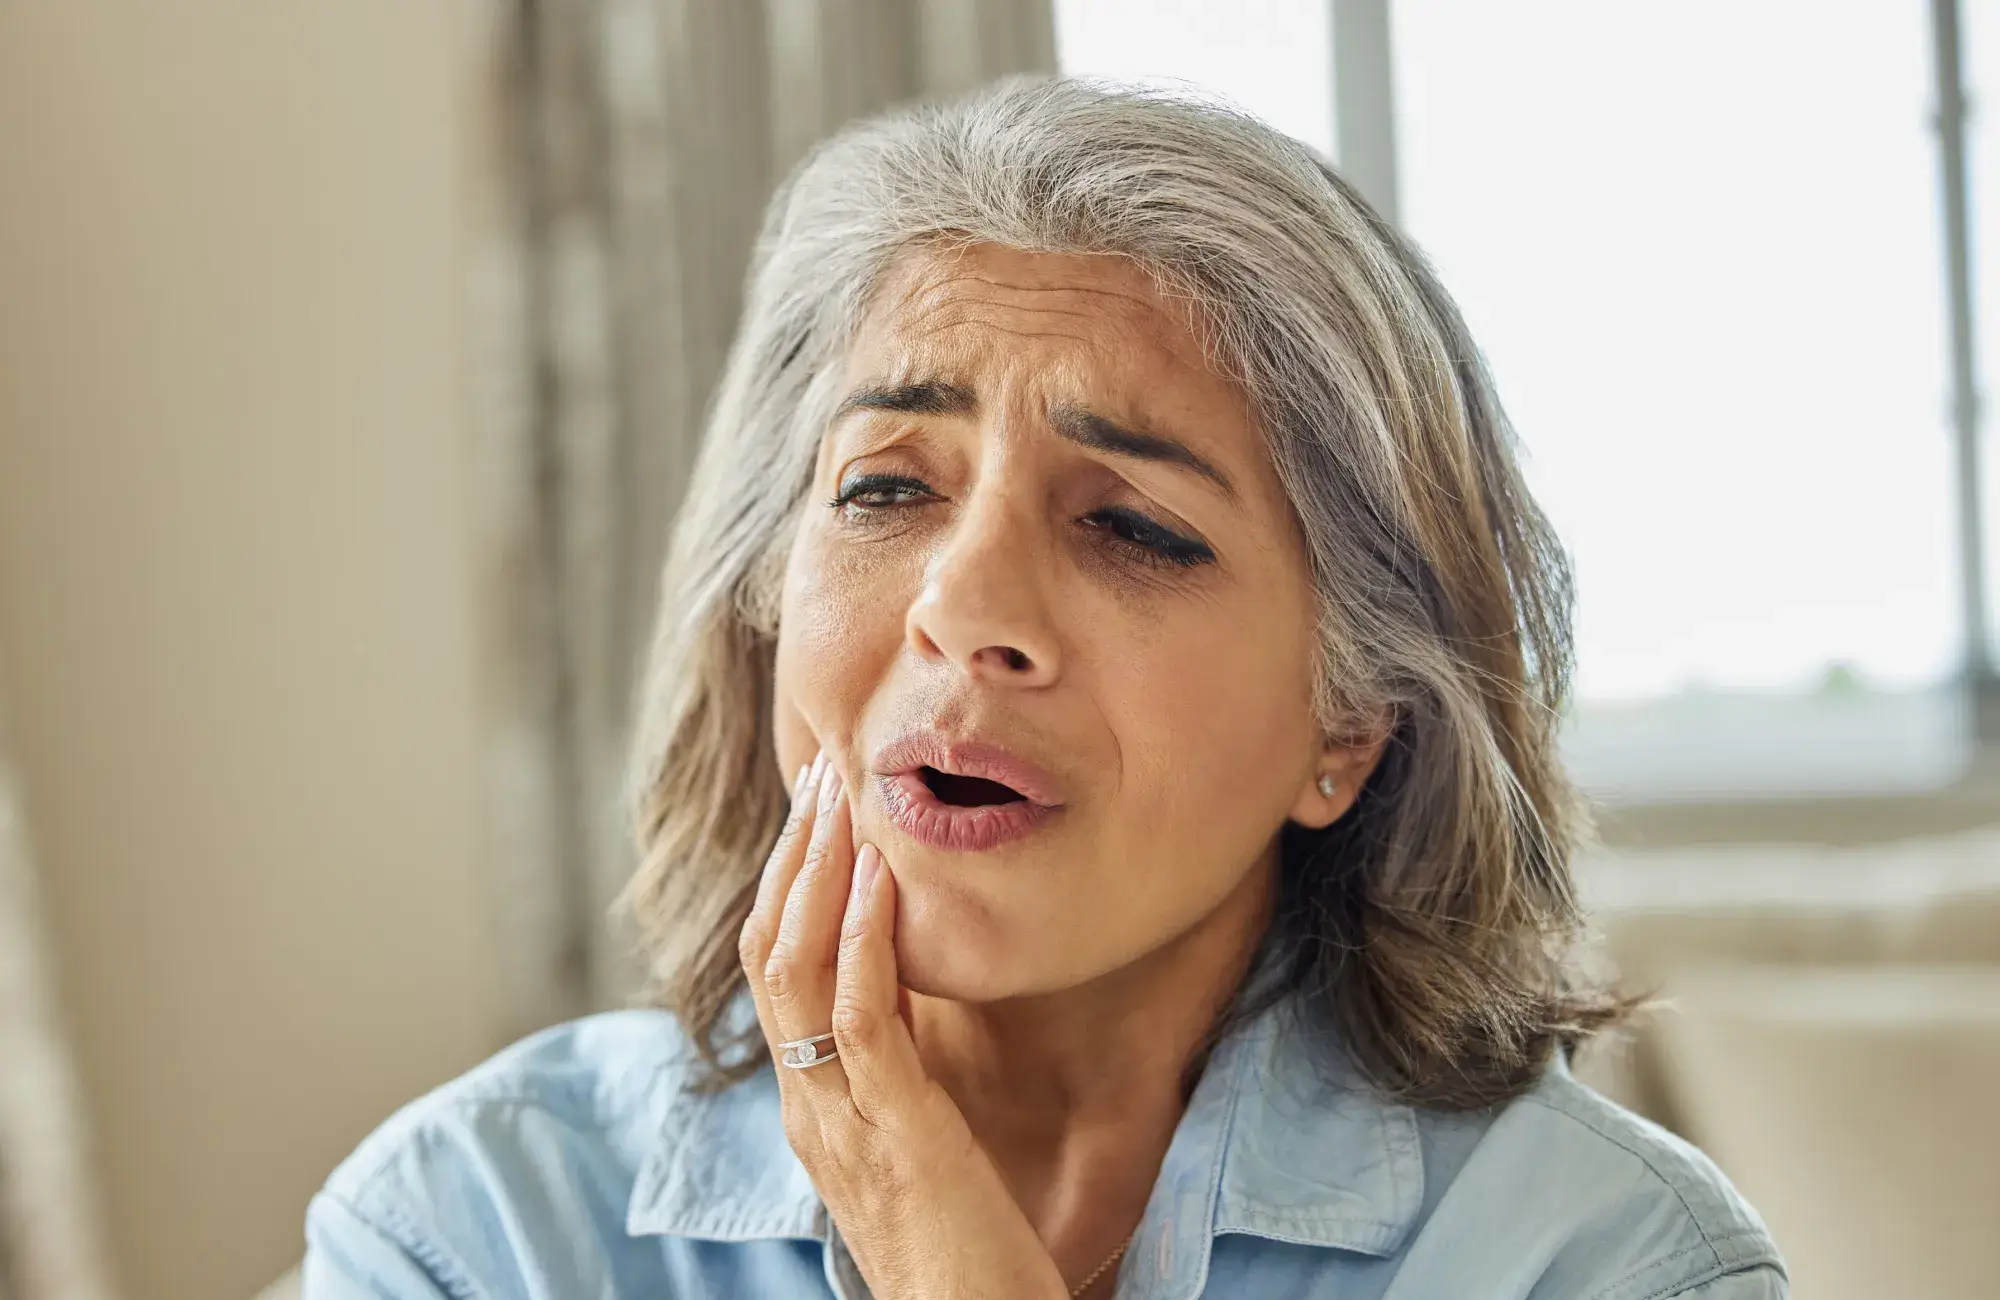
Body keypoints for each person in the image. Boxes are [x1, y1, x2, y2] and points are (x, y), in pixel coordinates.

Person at [301, 78, 1785, 1299]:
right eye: (885, 493)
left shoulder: (1605, 1265)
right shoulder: (476, 1229)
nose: (965, 610)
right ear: (761, 606)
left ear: (1349, 725)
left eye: (1133, 527)